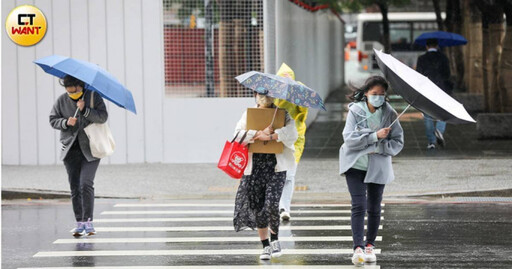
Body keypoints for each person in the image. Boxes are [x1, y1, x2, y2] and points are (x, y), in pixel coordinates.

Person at [339, 76, 404, 266]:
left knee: (374, 208)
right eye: (374, 94)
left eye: (382, 95)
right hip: (355, 165)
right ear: (366, 93)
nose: (378, 98)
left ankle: (370, 245)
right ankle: (357, 247)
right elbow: (349, 139)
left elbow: (398, 142)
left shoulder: (390, 114)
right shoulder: (355, 112)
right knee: (358, 205)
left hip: (378, 166)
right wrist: (374, 136)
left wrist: (382, 147)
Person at [233, 92, 298, 261]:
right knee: (258, 208)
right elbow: (237, 135)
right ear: (255, 95)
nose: (264, 97)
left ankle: (275, 239)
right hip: (253, 169)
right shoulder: (248, 114)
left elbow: (292, 134)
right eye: (260, 94)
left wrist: (271, 135)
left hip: (276, 168)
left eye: (267, 94)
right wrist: (257, 133)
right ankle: (265, 245)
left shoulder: (283, 114)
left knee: (272, 204)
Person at [49, 75, 108, 237]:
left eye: (74, 91)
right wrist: (66, 122)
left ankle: (88, 221)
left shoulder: (93, 97)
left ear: (80, 86)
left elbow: (103, 117)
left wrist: (85, 110)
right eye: (68, 92)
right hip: (70, 150)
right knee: (75, 187)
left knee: (86, 184)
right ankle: (79, 222)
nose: (71, 95)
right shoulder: (62, 100)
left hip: (91, 150)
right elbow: (53, 119)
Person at [274, 63, 308, 221]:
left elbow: (303, 113)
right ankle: (276, 204)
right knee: (278, 173)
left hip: (295, 139)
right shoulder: (273, 93)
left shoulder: (299, 91)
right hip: (277, 138)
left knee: (289, 175)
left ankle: (284, 208)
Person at [416, 38, 452, 149]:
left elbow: (418, 74)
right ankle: (439, 130)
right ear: (437, 46)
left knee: (428, 115)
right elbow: (447, 74)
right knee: (442, 113)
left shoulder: (421, 58)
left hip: (427, 90)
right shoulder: (444, 58)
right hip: (442, 89)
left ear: (427, 46)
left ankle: (431, 142)